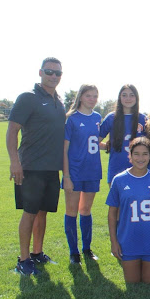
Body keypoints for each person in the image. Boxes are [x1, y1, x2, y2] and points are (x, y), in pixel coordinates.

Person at [7, 57, 66, 275]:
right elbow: (12, 130)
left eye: (57, 73)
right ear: (40, 72)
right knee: (29, 212)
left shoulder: (58, 102)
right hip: (30, 167)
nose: (53, 76)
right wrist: (15, 162)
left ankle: (37, 253)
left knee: (43, 213)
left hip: (52, 169)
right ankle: (23, 260)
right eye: (49, 72)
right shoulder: (28, 98)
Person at [106, 137, 150, 283]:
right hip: (128, 240)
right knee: (133, 283)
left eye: (145, 154)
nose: (140, 158)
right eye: (136, 154)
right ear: (129, 156)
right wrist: (114, 242)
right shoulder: (119, 180)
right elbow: (112, 214)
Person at [62, 84, 102, 264]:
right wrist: (67, 176)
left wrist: (107, 145)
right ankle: (74, 252)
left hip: (92, 170)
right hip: (75, 172)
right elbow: (64, 150)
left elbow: (92, 142)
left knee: (86, 210)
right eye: (89, 96)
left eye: (95, 96)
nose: (92, 99)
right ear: (80, 97)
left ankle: (87, 248)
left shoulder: (97, 117)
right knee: (71, 211)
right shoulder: (71, 119)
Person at [99, 84, 146, 184]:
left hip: (139, 169)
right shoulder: (111, 118)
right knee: (117, 199)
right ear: (119, 97)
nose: (128, 98)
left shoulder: (143, 119)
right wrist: (107, 147)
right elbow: (94, 141)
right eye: (124, 95)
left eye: (131, 95)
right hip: (116, 168)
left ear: (136, 98)